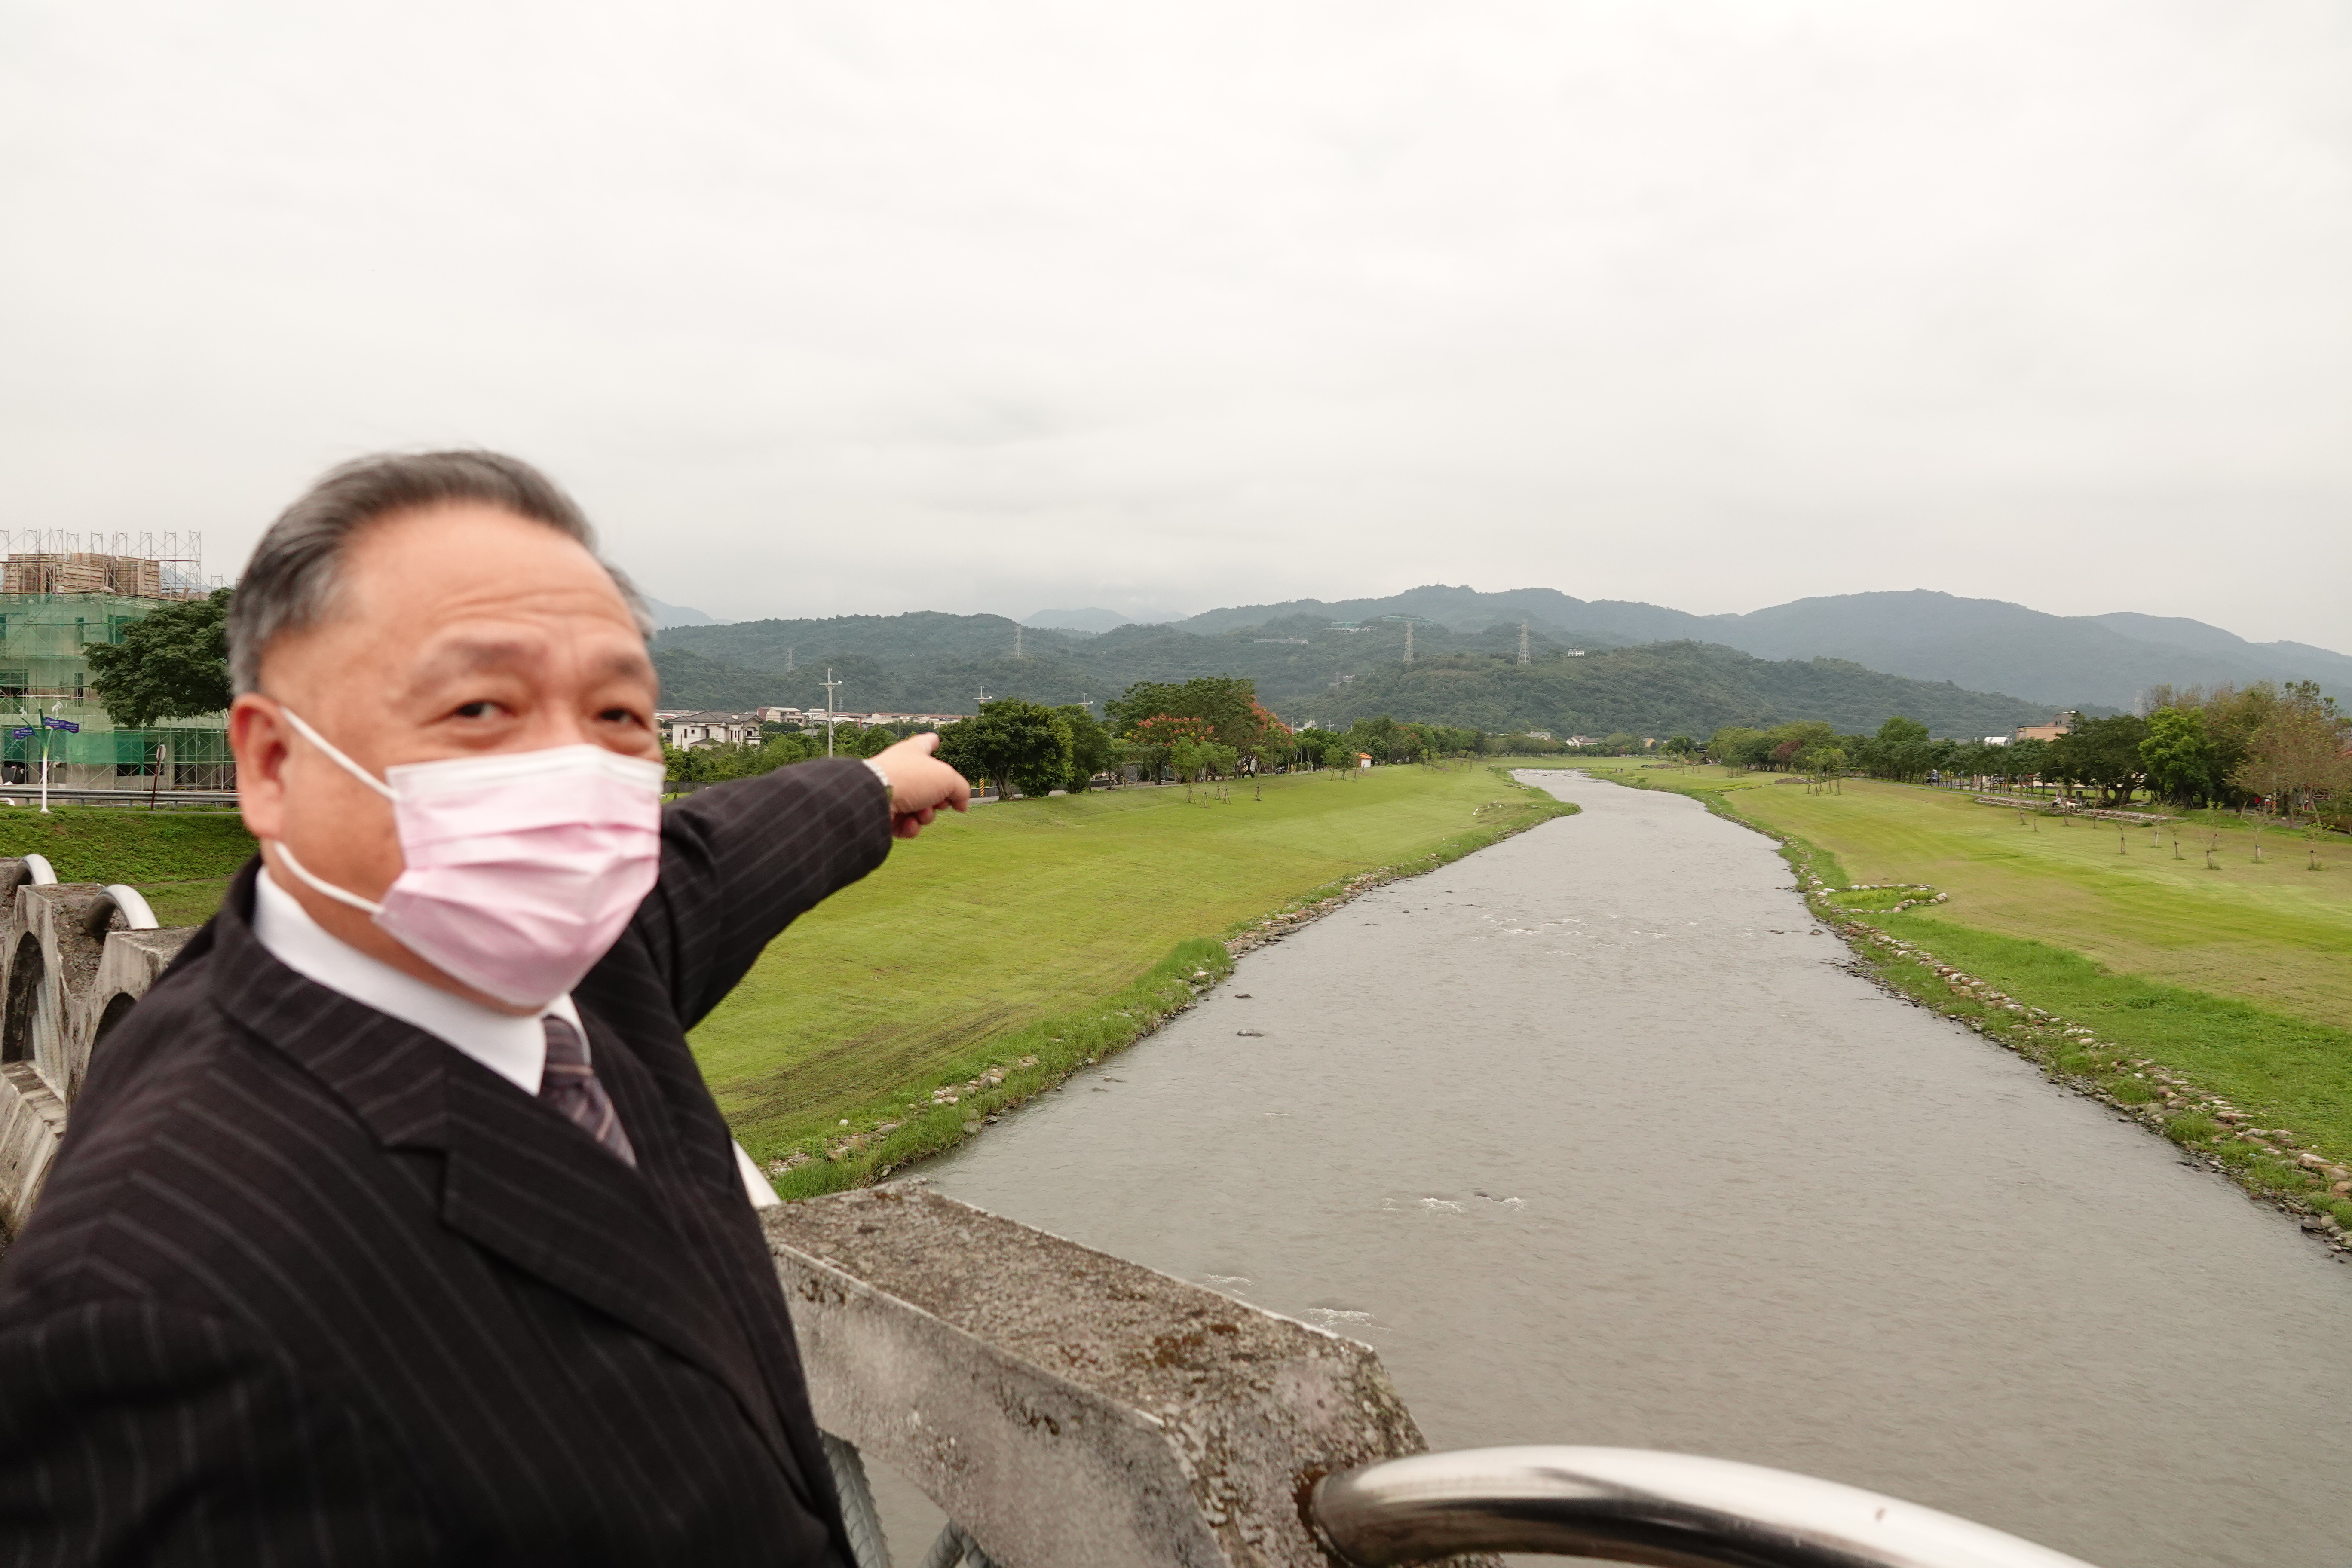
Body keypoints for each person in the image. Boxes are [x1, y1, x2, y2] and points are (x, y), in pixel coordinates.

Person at [0, 451, 969, 1563]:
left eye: (617, 713)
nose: (569, 773)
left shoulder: (551, 973)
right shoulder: (163, 1304)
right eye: (479, 706)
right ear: (271, 763)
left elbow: (703, 867)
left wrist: (872, 785)